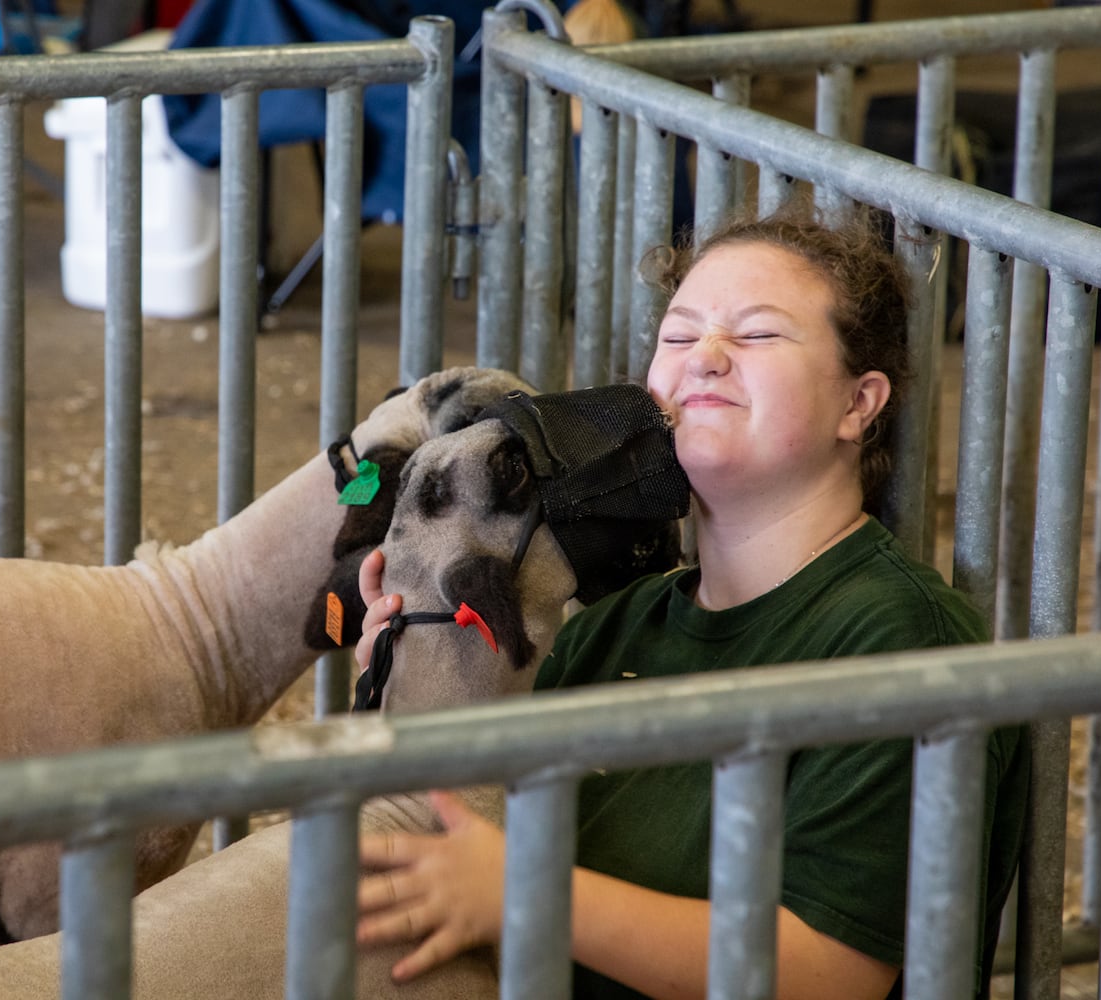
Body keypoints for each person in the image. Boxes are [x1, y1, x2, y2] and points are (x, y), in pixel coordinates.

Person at [349, 208, 1031, 1000]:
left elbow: (830, 975)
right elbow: (468, 828)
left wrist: (528, 896)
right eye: (679, 336)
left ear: (858, 403)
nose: (705, 356)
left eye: (759, 336)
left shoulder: (904, 642)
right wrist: (410, 669)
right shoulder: (613, 629)